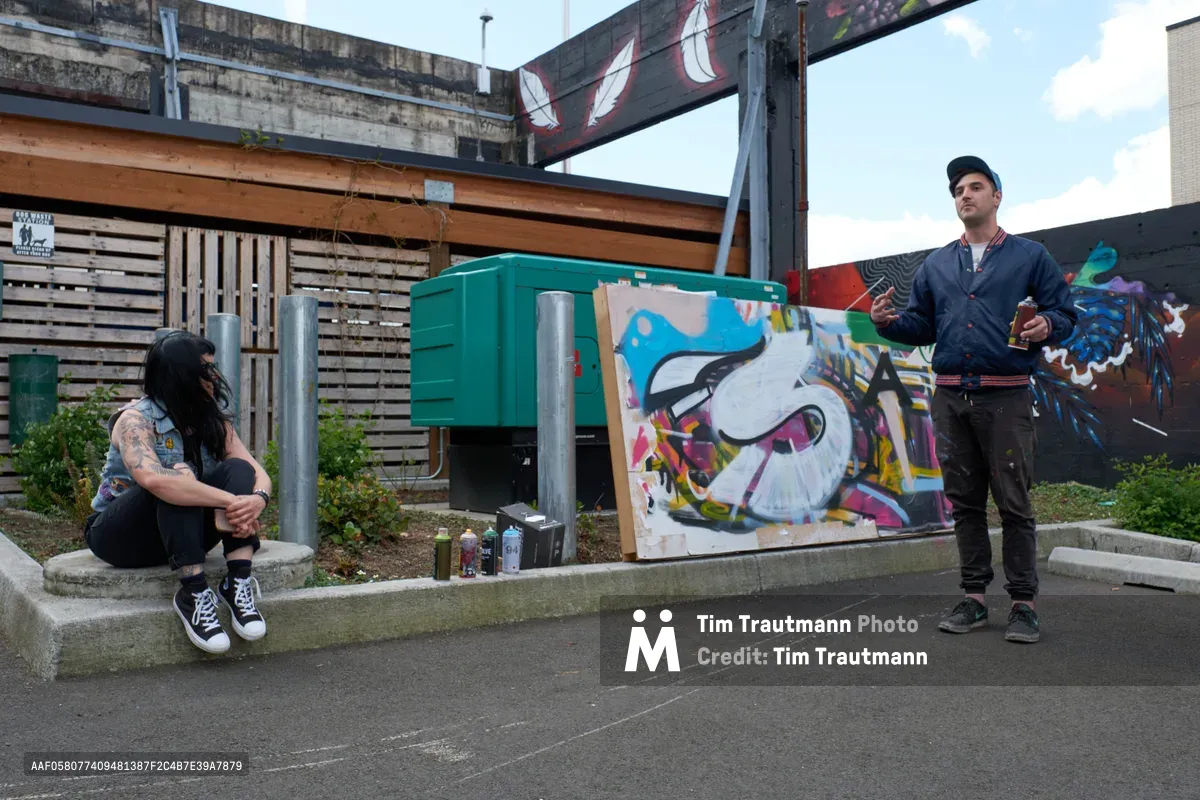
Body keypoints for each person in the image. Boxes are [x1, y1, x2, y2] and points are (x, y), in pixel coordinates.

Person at [870, 155, 1078, 644]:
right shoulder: (937, 264)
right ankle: (974, 598)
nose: (965, 194)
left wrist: (1048, 325)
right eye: (958, 189)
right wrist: (887, 324)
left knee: (1014, 503)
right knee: (964, 504)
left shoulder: (1030, 257)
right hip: (950, 400)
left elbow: (1065, 314)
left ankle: (1023, 604)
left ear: (996, 196)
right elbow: (921, 325)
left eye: (976, 186)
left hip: (1006, 399)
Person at [83, 331, 273, 654]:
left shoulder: (213, 422)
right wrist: (231, 502)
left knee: (238, 471)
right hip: (119, 537)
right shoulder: (135, 420)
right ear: (181, 376)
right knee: (176, 479)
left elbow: (258, 474)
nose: (214, 378)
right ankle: (193, 593)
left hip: (180, 535)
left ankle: (238, 581)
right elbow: (155, 481)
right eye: (205, 371)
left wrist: (257, 500)